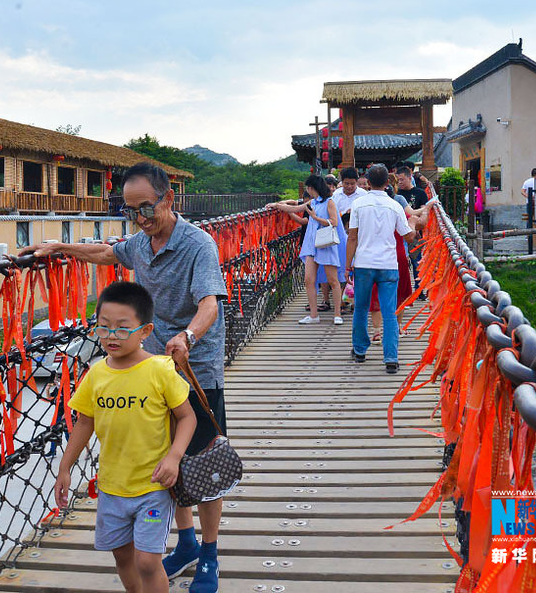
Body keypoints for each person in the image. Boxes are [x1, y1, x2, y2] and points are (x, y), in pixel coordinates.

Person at [22, 162, 228, 591]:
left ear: (170, 199)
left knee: (202, 464)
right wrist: (60, 248)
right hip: (149, 367)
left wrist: (188, 335)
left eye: (147, 207)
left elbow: (210, 301)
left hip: (194, 364)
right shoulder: (140, 242)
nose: (141, 217)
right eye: (132, 210)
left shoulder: (198, 245)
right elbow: (108, 253)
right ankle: (186, 542)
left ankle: (209, 553)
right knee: (165, 455)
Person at [56, 282, 197, 593]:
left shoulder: (160, 370)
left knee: (148, 561)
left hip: (154, 484)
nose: (110, 337)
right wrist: (65, 467)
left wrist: (173, 457)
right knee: (122, 556)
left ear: (145, 331)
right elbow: (84, 423)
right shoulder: (96, 374)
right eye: (103, 328)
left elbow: (187, 417)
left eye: (122, 329)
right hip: (112, 485)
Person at [346, 165, 417, 373]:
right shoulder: (394, 206)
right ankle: (391, 358)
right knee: (389, 312)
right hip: (388, 265)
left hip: (364, 263)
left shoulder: (358, 204)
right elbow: (408, 236)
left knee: (360, 308)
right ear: (388, 182)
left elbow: (352, 236)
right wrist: (413, 222)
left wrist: (348, 264)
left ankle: (360, 351)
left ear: (367, 181)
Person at [276, 174, 343, 325]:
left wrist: (315, 217)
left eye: (308, 188)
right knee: (309, 279)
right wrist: (277, 206)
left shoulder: (329, 202)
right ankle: (314, 315)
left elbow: (334, 222)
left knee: (333, 280)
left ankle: (337, 314)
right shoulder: (313, 202)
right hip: (312, 244)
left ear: (312, 188)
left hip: (325, 243)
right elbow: (295, 208)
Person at [395, 165, 429, 297]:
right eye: (398, 180)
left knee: (417, 261)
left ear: (409, 178)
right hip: (400, 232)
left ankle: (419, 289)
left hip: (416, 231)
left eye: (402, 179)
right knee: (403, 261)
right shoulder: (397, 195)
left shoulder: (420, 193)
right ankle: (403, 292)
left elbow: (424, 211)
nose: (400, 183)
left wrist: (419, 226)